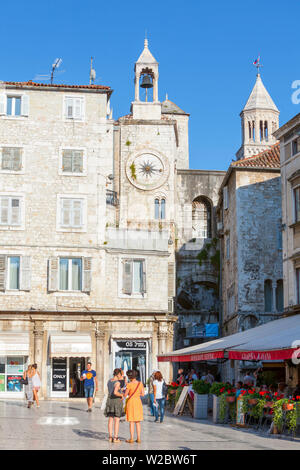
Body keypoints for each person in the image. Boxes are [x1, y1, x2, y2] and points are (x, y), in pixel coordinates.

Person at [124, 369, 145, 444]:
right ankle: (139, 438)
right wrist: (137, 394)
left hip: (131, 402)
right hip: (138, 402)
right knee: (138, 421)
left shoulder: (129, 384)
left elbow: (125, 395)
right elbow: (143, 394)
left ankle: (132, 438)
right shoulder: (140, 383)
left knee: (131, 421)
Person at [104, 368, 125, 443]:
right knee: (117, 419)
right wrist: (121, 395)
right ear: (118, 374)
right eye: (121, 375)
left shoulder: (109, 381)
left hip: (109, 400)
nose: (121, 376)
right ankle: (115, 437)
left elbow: (110, 390)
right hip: (116, 401)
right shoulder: (117, 383)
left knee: (110, 419)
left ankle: (110, 437)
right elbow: (115, 392)